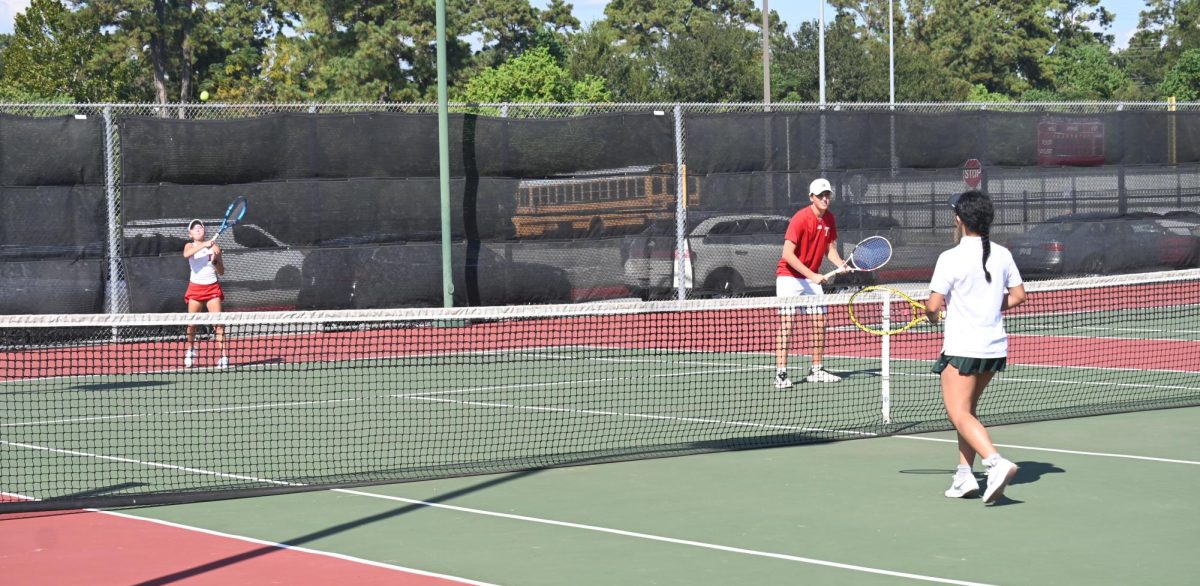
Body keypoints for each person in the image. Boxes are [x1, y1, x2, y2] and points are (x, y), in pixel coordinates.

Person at [925, 190, 1027, 503]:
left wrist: (930, 314)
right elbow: (1019, 295)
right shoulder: (1003, 254)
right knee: (966, 412)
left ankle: (995, 463)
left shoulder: (950, 258)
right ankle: (964, 477)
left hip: (963, 348)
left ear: (960, 220)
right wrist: (988, 308)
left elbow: (933, 306)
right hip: (993, 349)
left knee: (958, 414)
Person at [774, 178, 848, 388]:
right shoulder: (800, 219)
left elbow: (829, 249)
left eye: (827, 195)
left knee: (820, 321)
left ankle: (816, 369)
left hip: (810, 277)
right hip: (789, 277)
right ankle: (780, 373)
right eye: (820, 195)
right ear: (811, 197)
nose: (825, 198)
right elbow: (787, 254)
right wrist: (812, 275)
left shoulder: (830, 219)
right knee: (787, 324)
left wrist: (840, 264)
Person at [183, 219, 228, 369]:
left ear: (204, 230)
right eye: (194, 228)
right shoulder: (189, 245)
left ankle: (224, 357)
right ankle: (190, 350)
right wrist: (204, 244)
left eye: (200, 227)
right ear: (190, 234)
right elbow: (186, 254)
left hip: (212, 288)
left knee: (218, 326)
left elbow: (221, 272)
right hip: (195, 289)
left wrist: (215, 260)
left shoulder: (215, 247)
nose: (197, 229)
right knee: (191, 325)